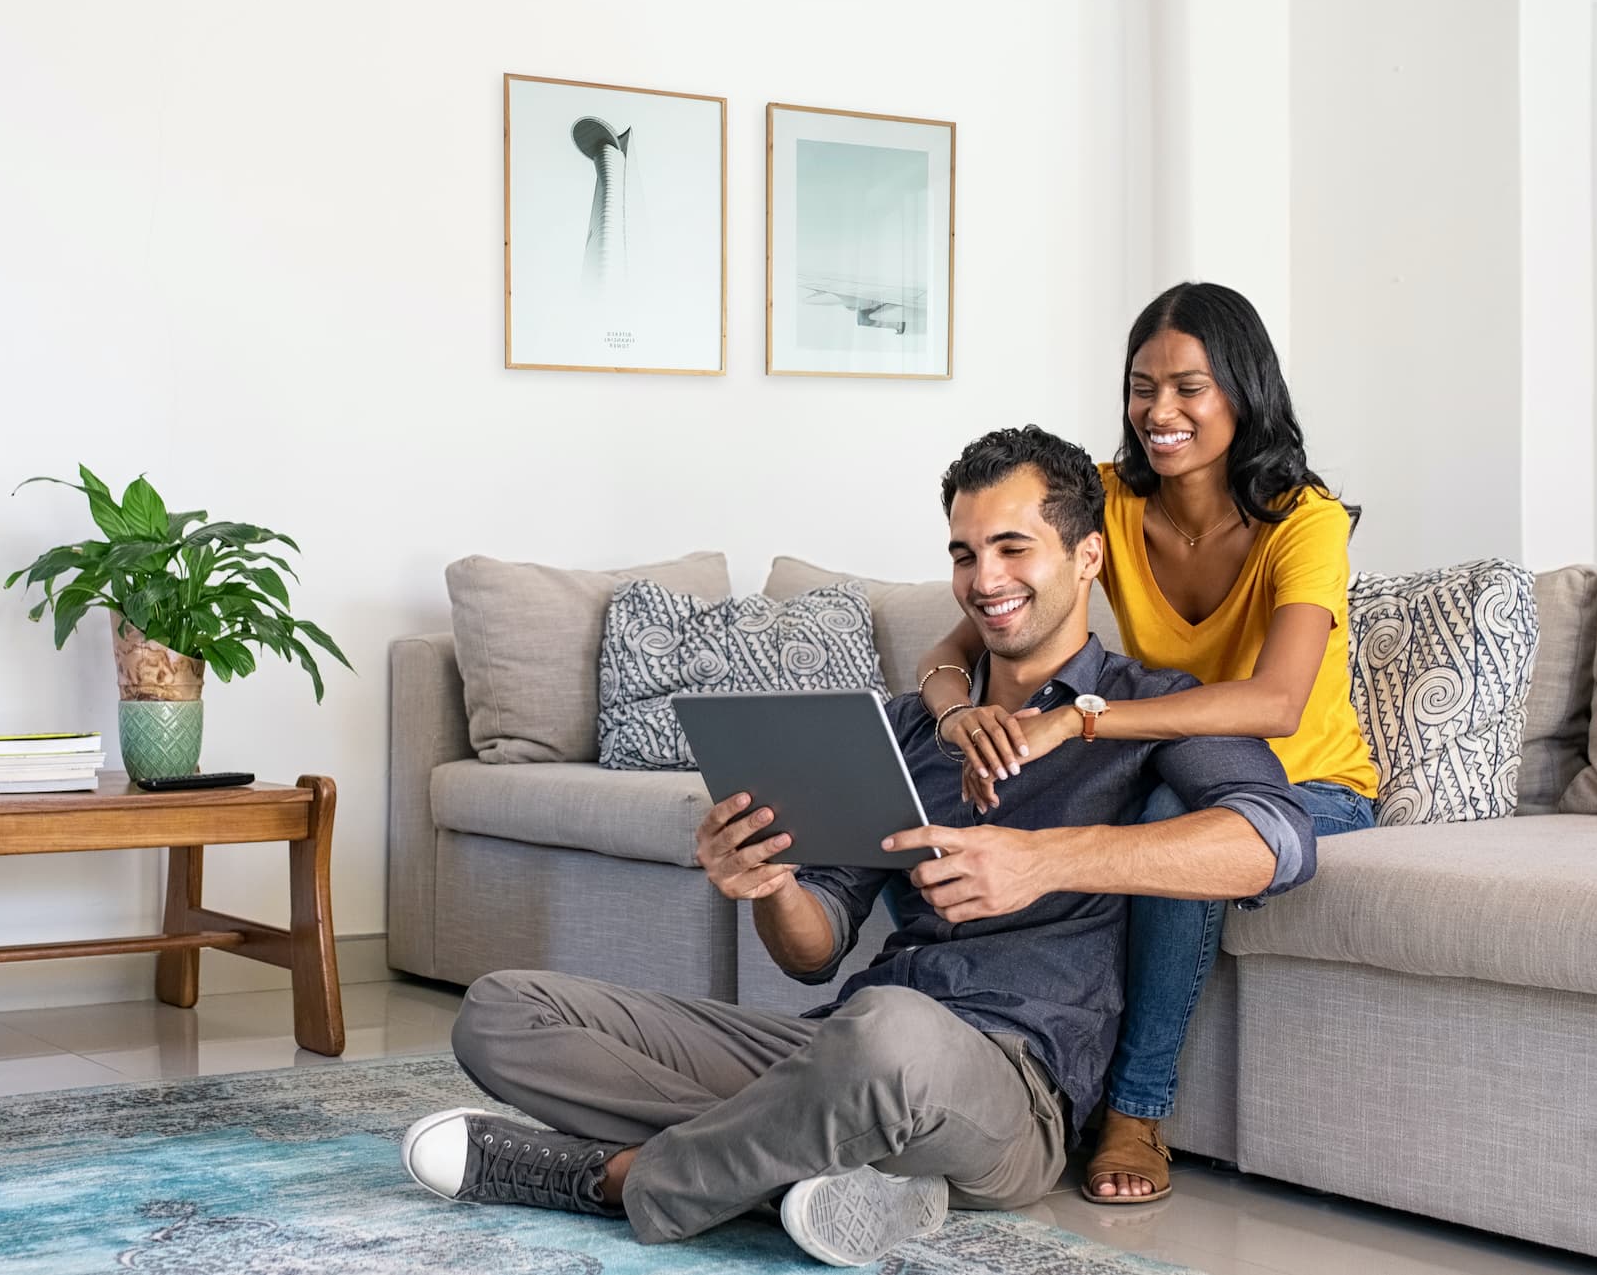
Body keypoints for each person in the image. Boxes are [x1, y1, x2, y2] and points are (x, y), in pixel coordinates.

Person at [397, 426, 1319, 1267]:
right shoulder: (913, 724)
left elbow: (1278, 841)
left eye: (1012, 547)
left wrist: (1046, 860)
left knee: (888, 1042)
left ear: (1086, 557)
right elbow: (813, 953)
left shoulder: (1148, 707)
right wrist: (766, 882)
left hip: (1010, 1087)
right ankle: (832, 1170)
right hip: (841, 1045)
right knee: (502, 1010)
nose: (984, 579)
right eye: (963, 553)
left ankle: (621, 1179)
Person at [913, 281, 1377, 1205]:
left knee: (1171, 814)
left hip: (1307, 780)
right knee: (1025, 803)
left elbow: (1279, 701)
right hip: (1168, 748)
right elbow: (961, 636)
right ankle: (974, 1053)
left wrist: (1082, 718)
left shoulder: (1306, 519)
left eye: (1188, 387)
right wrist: (954, 710)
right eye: (1141, 386)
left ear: (1243, 391)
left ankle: (1135, 1108)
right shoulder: (1109, 499)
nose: (1158, 411)